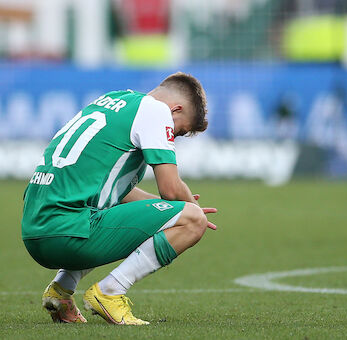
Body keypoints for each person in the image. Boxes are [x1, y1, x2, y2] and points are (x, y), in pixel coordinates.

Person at [21, 72, 217, 326]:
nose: (173, 136)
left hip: (35, 230)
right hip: (66, 234)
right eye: (178, 131)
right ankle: (110, 292)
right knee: (193, 221)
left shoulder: (114, 99)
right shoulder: (157, 111)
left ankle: (61, 289)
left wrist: (166, 208)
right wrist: (190, 206)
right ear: (175, 109)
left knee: (108, 209)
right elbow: (170, 188)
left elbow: (114, 191)